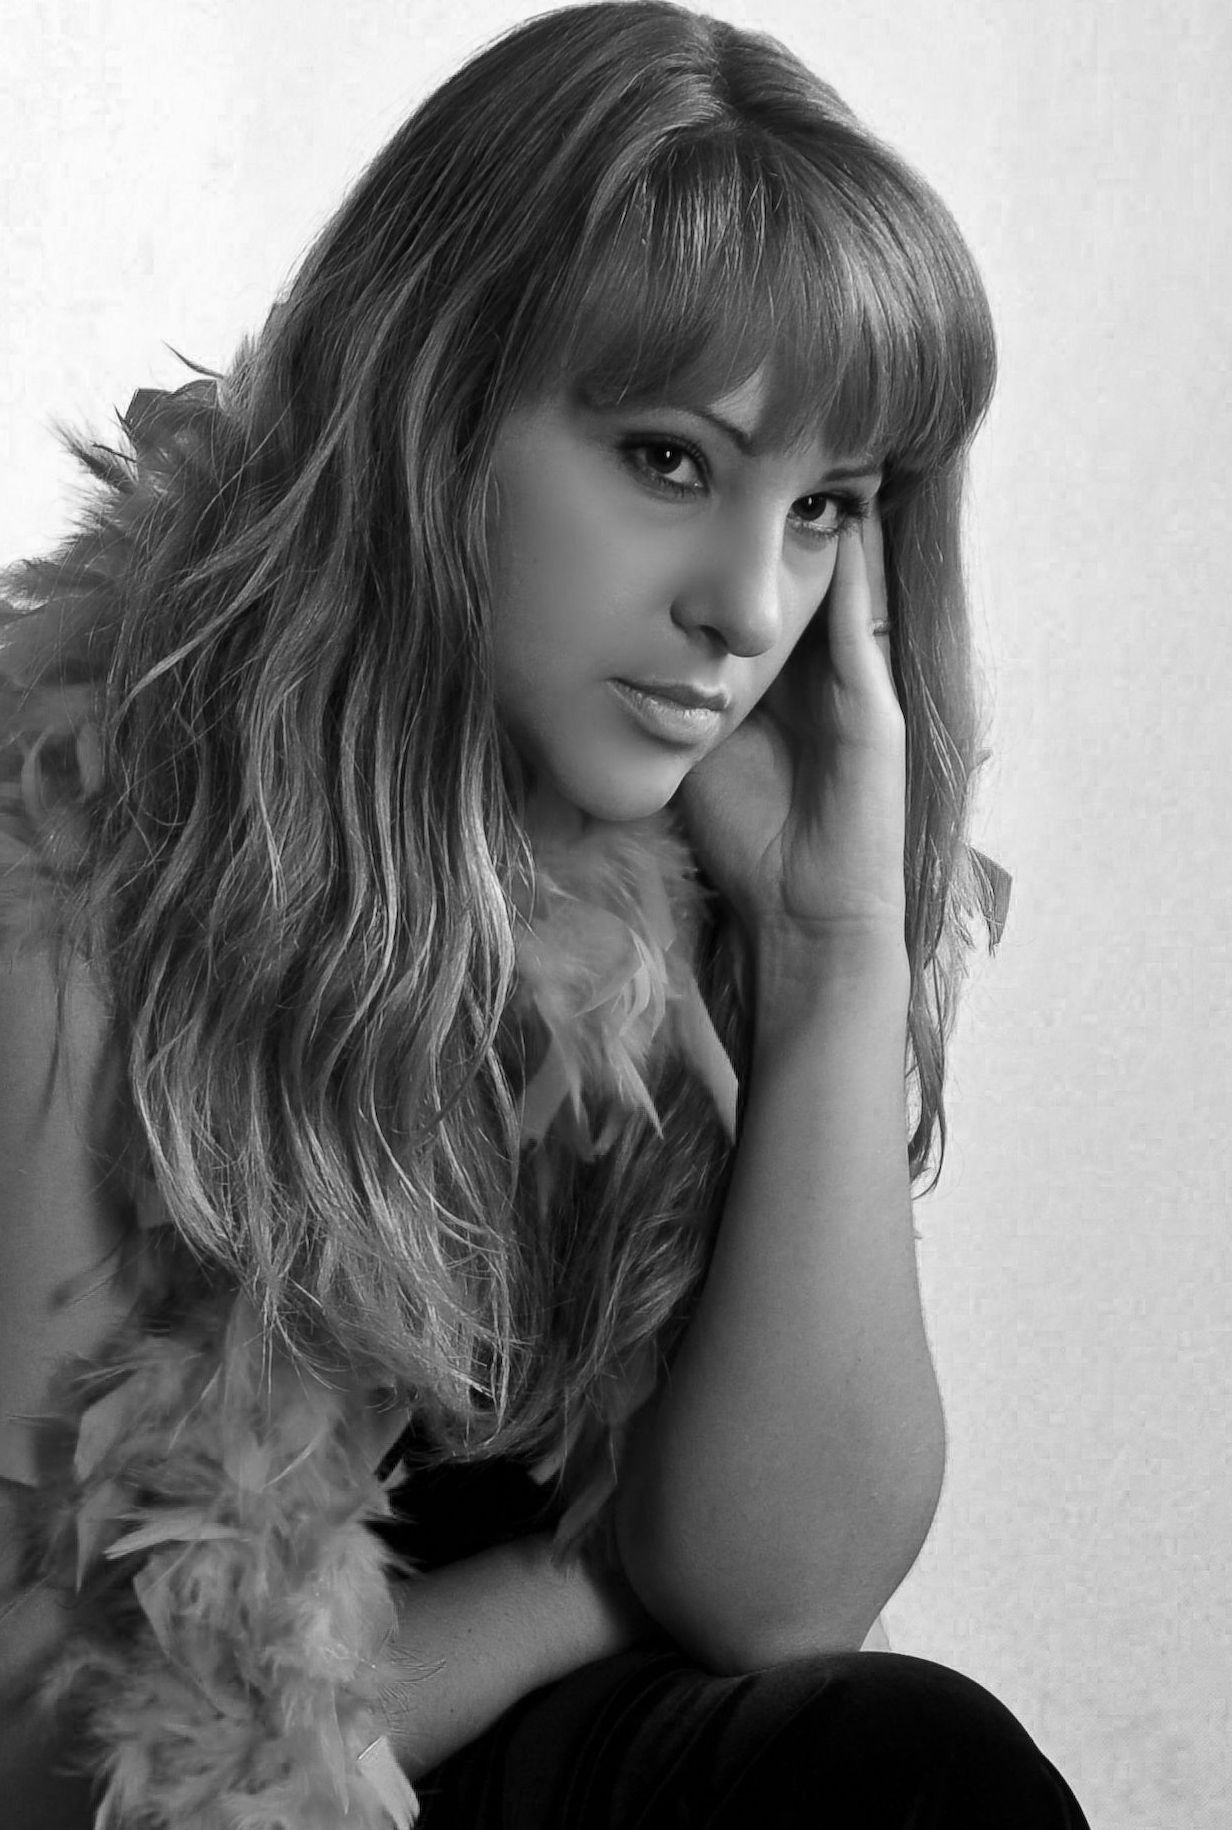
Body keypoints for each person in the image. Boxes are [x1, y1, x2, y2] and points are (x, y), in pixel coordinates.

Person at [0, 2, 1086, 1825]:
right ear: (433, 412)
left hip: (592, 1768)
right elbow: (68, 1763)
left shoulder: (711, 877)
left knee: (906, 1769)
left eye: (827, 505)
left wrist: (828, 955)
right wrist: (601, 1572)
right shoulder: (74, 905)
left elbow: (785, 1597)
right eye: (670, 460)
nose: (751, 605)